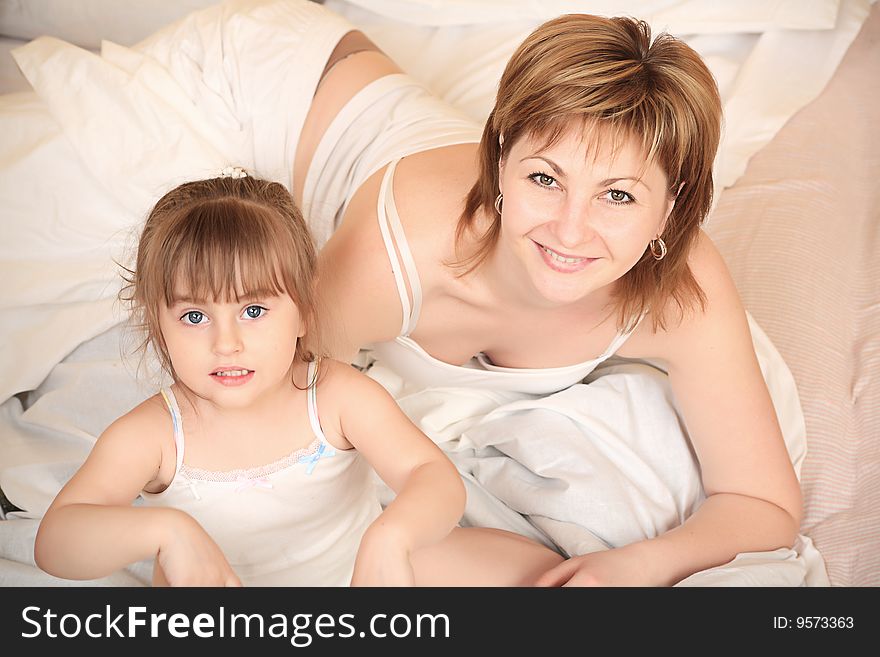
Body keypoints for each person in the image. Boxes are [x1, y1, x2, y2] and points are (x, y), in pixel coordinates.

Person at [293, 8, 804, 586]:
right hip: (276, 85)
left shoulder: (685, 291)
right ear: (502, 160)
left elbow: (764, 503)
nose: (569, 230)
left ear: (672, 203)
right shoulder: (392, 254)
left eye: (617, 195)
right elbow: (271, 459)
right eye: (545, 179)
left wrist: (629, 568)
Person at [32, 170, 467, 587]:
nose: (227, 343)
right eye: (195, 316)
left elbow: (433, 476)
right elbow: (55, 542)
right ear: (157, 323)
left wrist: (392, 537)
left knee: (527, 572)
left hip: (356, 577)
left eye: (253, 311)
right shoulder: (155, 436)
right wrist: (167, 531)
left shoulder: (335, 398)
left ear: (304, 311)